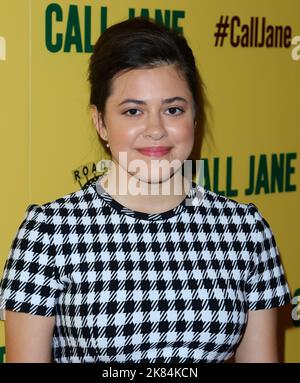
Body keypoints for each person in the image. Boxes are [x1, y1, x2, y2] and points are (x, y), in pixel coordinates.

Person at [0, 16, 291, 363]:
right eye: (133, 111)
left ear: (194, 118)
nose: (156, 129)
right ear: (101, 122)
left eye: (173, 109)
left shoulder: (245, 230)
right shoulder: (49, 233)